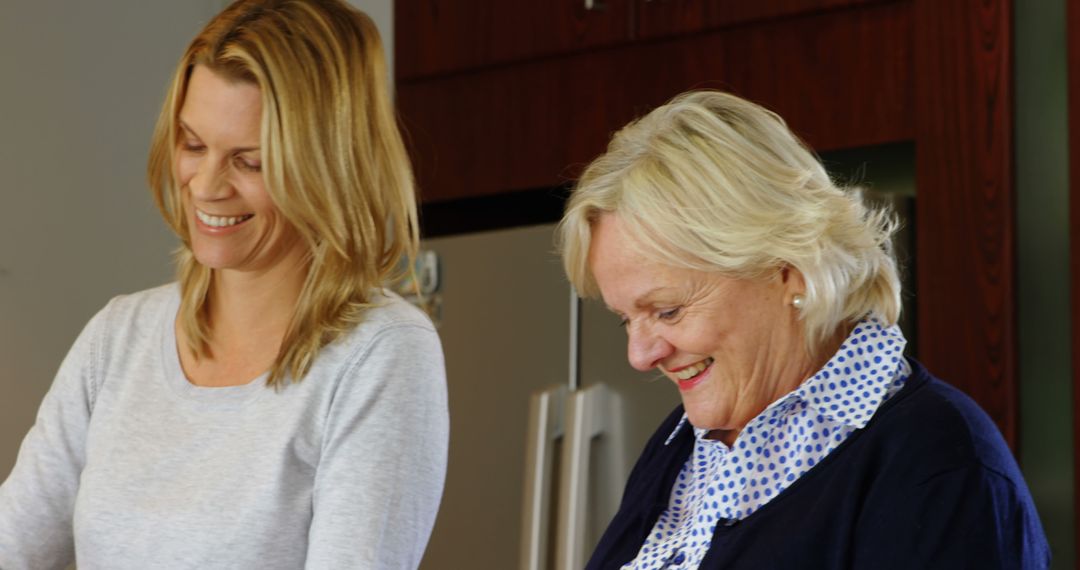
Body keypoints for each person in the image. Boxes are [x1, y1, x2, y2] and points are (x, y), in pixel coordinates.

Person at [0, 1, 448, 568]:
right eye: (192, 145)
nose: (207, 186)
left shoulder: (380, 354)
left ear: (327, 164)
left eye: (250, 162)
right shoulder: (118, 338)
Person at [557, 90, 1050, 569]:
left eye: (667, 311)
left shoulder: (942, 466)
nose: (640, 355)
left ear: (787, 269)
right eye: (625, 318)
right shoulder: (684, 445)